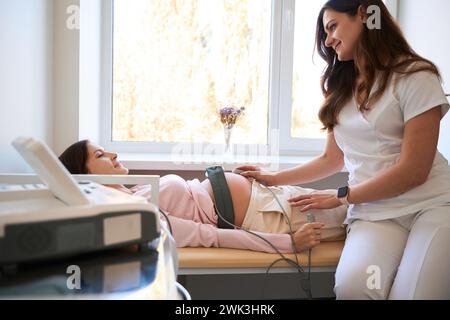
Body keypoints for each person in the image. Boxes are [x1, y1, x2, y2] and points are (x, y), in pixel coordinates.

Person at [237, 0, 450, 300]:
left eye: (332, 26)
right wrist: (273, 178)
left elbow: (414, 171)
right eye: (325, 32)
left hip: (432, 204)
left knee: (413, 294)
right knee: (355, 288)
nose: (327, 40)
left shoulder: (415, 76)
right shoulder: (342, 89)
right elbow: (331, 159)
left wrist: (341, 197)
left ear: (365, 15)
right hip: (375, 211)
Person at [58, 140, 348, 255]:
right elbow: (210, 235)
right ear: (86, 176)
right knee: (351, 216)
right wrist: (288, 244)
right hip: (268, 216)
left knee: (351, 202)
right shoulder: (138, 213)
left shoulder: (138, 191)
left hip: (267, 195)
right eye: (100, 156)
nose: (112, 154)